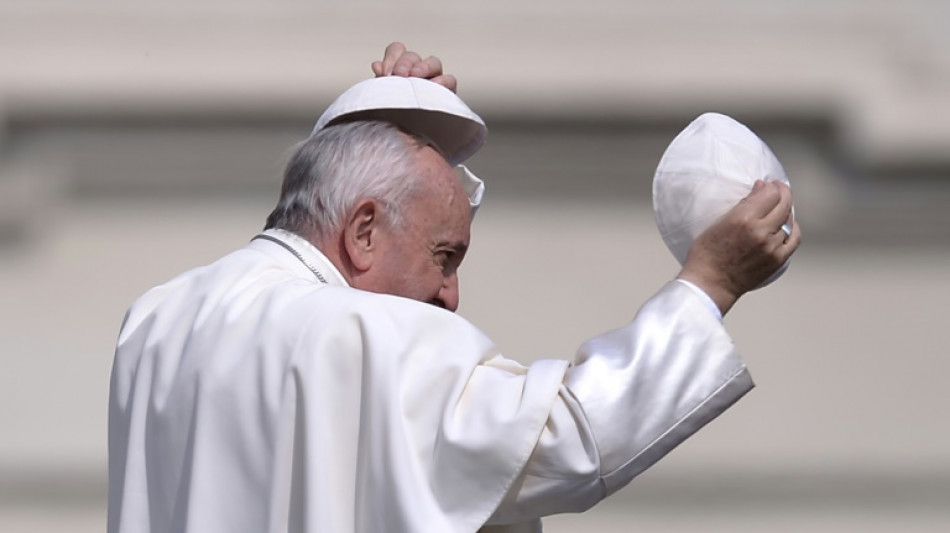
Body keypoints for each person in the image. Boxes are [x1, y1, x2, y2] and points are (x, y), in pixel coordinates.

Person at [108, 43, 801, 533]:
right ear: (364, 232)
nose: (450, 295)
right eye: (445, 256)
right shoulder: (366, 335)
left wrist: (378, 117)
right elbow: (570, 437)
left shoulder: (158, 323)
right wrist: (709, 283)